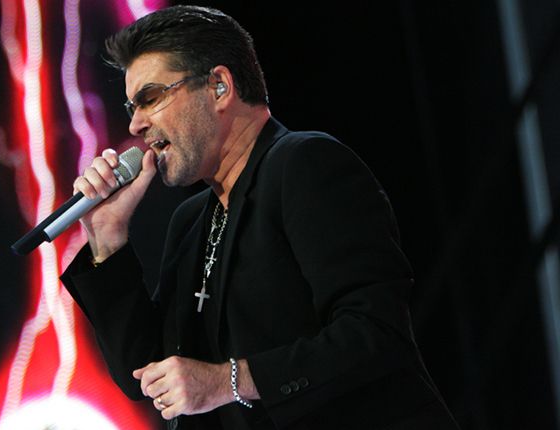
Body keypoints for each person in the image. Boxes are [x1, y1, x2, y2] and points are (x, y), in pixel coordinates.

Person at [60, 5, 459, 430]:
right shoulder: (190, 222)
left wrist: (228, 381)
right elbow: (150, 376)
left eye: (151, 97)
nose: (136, 124)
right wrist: (107, 238)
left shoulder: (305, 165)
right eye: (131, 107)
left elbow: (374, 332)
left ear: (219, 86)